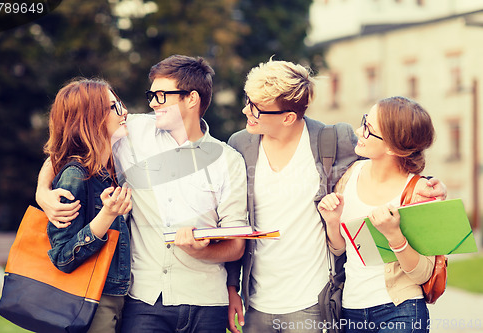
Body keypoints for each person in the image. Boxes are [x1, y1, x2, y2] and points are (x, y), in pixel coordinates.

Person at [226, 60, 446, 333]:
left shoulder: (333, 140)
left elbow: (394, 149)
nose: (247, 110)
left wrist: (426, 184)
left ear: (288, 117)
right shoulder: (240, 145)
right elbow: (233, 219)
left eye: (257, 107)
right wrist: (232, 287)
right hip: (258, 301)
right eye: (248, 100)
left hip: (313, 300)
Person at [36, 55, 248, 332]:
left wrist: (200, 252)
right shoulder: (131, 131)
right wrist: (42, 190)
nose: (152, 103)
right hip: (143, 300)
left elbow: (236, 245)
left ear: (191, 98)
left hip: (208, 303)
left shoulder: (228, 160)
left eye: (161, 96)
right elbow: (73, 143)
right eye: (151, 95)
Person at [317, 96, 436, 333]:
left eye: (369, 130)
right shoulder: (350, 175)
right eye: (364, 122)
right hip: (352, 309)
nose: (359, 131)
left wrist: (394, 235)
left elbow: (424, 273)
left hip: (400, 310)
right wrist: (332, 221)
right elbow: (341, 249)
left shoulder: (418, 192)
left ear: (393, 147)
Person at [43, 78, 132, 333]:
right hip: (91, 303)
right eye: (114, 107)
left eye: (120, 104)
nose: (124, 112)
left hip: (119, 298)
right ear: (91, 118)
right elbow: (62, 257)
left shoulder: (111, 169)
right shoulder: (75, 175)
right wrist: (107, 215)